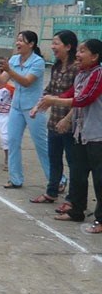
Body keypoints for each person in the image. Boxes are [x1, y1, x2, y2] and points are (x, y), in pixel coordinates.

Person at [37, 39, 102, 233]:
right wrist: (48, 101)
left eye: (83, 51)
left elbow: (83, 99)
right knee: (78, 174)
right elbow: (71, 93)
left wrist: (54, 100)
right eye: (79, 50)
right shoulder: (82, 74)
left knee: (99, 179)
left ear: (95, 56)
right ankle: (76, 210)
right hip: (81, 133)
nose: (78, 54)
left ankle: (100, 220)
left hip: (97, 135)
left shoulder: (98, 74)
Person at [0, 30, 49, 189]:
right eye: (17, 40)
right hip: (17, 107)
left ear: (31, 44)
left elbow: (26, 82)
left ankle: (57, 180)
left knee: (41, 145)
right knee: (12, 141)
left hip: (34, 108)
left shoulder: (37, 62)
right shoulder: (14, 59)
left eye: (22, 40)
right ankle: (15, 178)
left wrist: (10, 70)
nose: (18, 43)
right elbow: (1, 81)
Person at [31, 30, 79, 205]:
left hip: (71, 125)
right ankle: (52, 192)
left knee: (74, 164)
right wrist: (37, 106)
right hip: (54, 122)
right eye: (52, 42)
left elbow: (78, 98)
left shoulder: (77, 69)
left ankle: (73, 199)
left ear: (68, 46)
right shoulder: (57, 66)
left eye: (56, 43)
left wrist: (66, 119)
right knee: (54, 160)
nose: (52, 46)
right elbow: (49, 90)